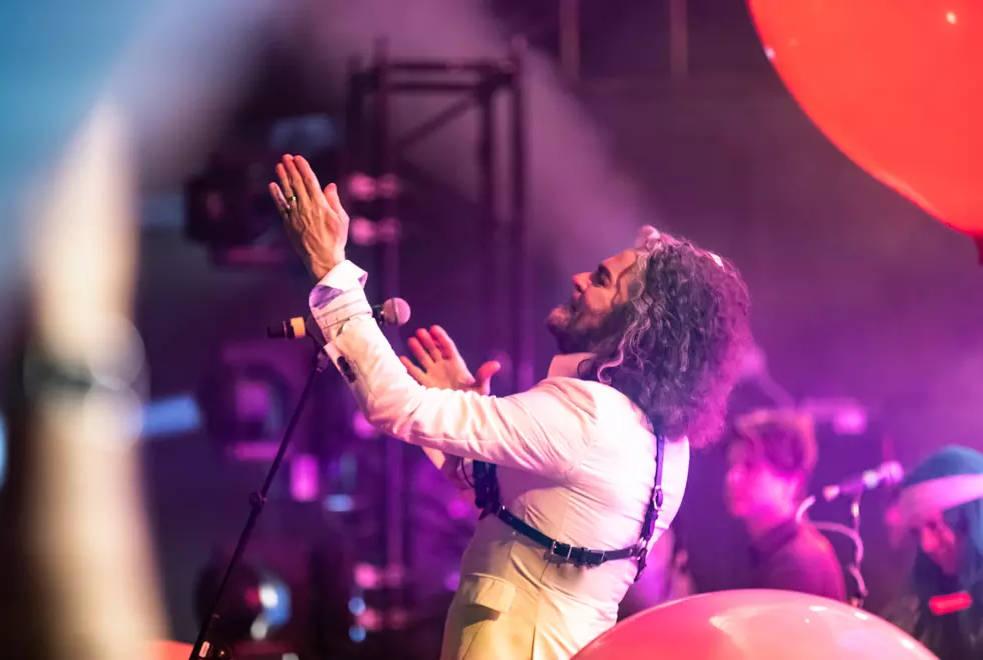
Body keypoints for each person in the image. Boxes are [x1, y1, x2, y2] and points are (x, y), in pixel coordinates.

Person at [269, 154, 751, 660]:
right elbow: (534, 511)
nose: (581, 278)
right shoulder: (666, 447)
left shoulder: (586, 415)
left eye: (603, 281)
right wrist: (468, 409)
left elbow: (395, 404)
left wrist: (331, 271)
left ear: (637, 330)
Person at [723, 409, 846, 600]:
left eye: (749, 465)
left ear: (793, 480)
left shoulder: (801, 564)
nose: (732, 477)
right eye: (732, 465)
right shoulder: (772, 552)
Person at [886, 446, 983, 660]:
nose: (926, 545)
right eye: (916, 532)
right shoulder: (927, 597)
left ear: (974, 520)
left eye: (935, 526)